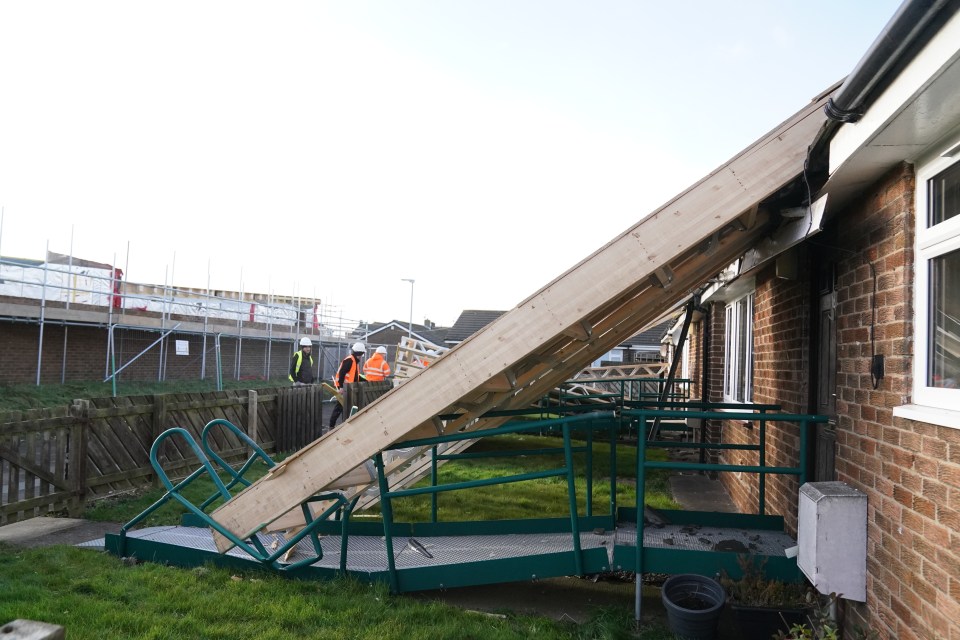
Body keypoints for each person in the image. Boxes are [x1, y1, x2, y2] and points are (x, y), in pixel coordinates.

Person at [328, 342, 366, 428]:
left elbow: (355, 376)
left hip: (348, 388)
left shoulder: (354, 361)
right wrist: (341, 387)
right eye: (362, 354)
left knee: (344, 406)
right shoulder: (350, 360)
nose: (361, 356)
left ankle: (337, 424)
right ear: (360, 353)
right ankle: (331, 425)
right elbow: (342, 373)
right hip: (344, 388)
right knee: (340, 406)